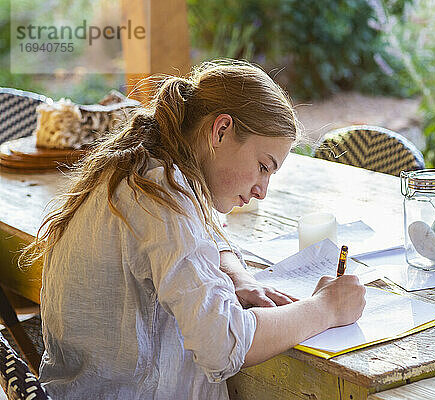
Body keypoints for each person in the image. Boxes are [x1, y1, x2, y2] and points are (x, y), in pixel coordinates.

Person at [22, 60, 366, 399]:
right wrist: (326, 308)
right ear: (220, 131)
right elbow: (225, 345)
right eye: (263, 167)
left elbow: (203, 231)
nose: (262, 190)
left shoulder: (144, 168)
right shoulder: (161, 199)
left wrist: (237, 276)